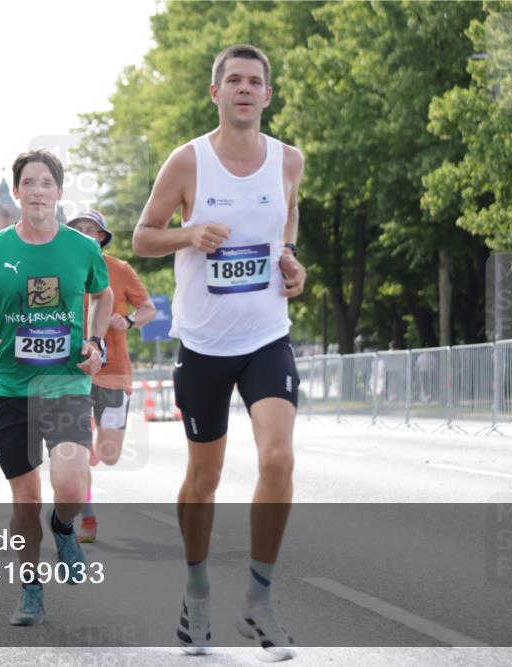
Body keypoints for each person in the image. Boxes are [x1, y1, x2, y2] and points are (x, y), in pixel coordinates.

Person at [132, 44, 307, 660]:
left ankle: (259, 602)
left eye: (253, 81)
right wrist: (189, 233)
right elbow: (142, 237)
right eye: (232, 80)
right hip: (203, 344)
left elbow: (286, 229)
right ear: (216, 93)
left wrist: (292, 267)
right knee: (204, 478)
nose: (243, 89)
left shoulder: (289, 161)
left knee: (279, 459)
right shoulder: (188, 162)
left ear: (266, 95)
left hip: (266, 337)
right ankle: (197, 592)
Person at [0, 149, 112, 626]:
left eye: (47, 183)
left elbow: (102, 295)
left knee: (69, 484)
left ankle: (64, 527)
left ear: (59, 192)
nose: (38, 191)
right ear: (17, 191)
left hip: (65, 382)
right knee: (26, 501)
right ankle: (30, 587)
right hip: (10, 388)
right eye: (29, 183)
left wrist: (97, 340)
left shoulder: (83, 249)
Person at [66, 210, 157, 542]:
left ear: (103, 237)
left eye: (93, 230)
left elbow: (148, 308)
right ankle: (87, 517)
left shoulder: (119, 269)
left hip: (114, 371)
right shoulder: (61, 269)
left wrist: (130, 320)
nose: (87, 234)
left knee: (108, 453)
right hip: (73, 372)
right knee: (77, 449)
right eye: (80, 230)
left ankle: (87, 453)